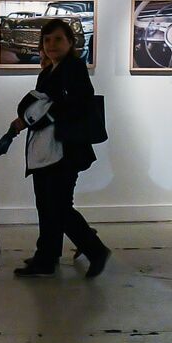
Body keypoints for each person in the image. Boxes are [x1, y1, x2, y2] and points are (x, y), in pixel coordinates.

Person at [6, 18, 110, 278]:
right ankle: (47, 257)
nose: (51, 44)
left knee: (58, 207)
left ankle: (95, 249)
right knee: (47, 204)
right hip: (47, 150)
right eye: (47, 39)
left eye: (58, 39)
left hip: (66, 150)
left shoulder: (74, 67)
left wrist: (37, 117)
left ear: (71, 42)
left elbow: (77, 104)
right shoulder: (48, 72)